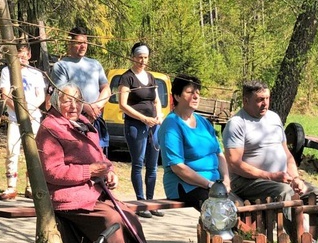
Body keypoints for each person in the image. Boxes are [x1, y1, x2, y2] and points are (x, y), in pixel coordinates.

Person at [37, 84, 169, 243]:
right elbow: (52, 172)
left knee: (131, 218)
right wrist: (89, 171)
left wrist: (110, 172)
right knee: (113, 220)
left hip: (96, 192)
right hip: (69, 197)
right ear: (57, 102)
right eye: (67, 100)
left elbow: (101, 158)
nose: (73, 105)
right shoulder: (49, 129)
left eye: (77, 100)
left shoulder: (85, 123)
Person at [222, 80, 318, 231]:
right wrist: (270, 176)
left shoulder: (274, 118)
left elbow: (287, 154)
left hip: (281, 180)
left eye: (267, 98)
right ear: (245, 100)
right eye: (260, 100)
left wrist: (296, 178)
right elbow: (234, 164)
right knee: (285, 193)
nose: (265, 103)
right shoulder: (237, 124)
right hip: (248, 182)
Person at [158, 74, 232, 211]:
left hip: (215, 185)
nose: (196, 96)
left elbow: (219, 154)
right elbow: (178, 167)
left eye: (198, 92)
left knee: (243, 207)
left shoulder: (204, 122)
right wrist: (210, 185)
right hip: (188, 186)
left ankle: (246, 232)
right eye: (190, 92)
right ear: (177, 96)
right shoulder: (171, 125)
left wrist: (226, 180)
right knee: (222, 212)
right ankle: (241, 233)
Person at [118, 43, 163, 218]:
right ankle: (140, 202)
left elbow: (157, 100)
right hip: (135, 125)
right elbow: (123, 104)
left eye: (145, 57)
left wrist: (159, 116)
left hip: (154, 126)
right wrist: (143, 118)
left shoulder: (151, 77)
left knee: (152, 165)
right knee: (138, 163)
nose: (142, 61)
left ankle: (151, 203)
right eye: (139, 57)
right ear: (133, 57)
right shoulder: (127, 78)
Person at [50, 26, 111, 154]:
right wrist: (86, 107)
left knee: (98, 155)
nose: (83, 46)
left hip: (96, 118)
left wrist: (96, 106)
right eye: (79, 43)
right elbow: (62, 94)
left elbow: (106, 88)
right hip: (74, 120)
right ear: (70, 43)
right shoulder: (61, 66)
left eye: (85, 42)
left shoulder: (95, 64)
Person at [0, 42, 47, 201]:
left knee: (33, 151)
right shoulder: (8, 71)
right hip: (15, 117)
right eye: (18, 56)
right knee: (12, 149)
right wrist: (19, 110)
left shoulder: (36, 73)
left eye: (24, 55)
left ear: (29, 55)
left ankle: (31, 186)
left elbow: (40, 95)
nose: (22, 58)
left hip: (33, 116)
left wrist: (30, 109)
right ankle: (11, 185)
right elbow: (5, 94)